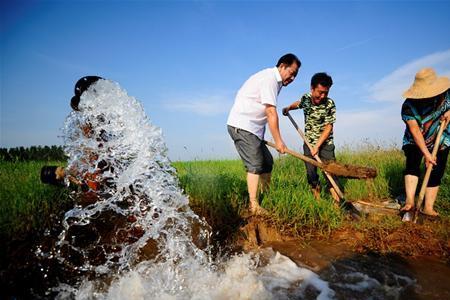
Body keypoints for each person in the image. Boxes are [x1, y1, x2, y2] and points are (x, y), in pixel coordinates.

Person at [227, 53, 301, 214]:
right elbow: (270, 112)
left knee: (267, 162)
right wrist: (279, 141)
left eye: (296, 75)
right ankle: (254, 205)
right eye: (292, 72)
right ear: (282, 66)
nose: (293, 78)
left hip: (254, 130)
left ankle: (266, 196)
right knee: (255, 164)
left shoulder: (276, 81)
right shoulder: (270, 79)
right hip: (243, 125)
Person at [282, 72, 342, 202]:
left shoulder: (329, 104)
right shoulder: (306, 98)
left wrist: (317, 146)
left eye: (326, 92)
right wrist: (288, 108)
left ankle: (338, 204)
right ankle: (318, 201)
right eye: (320, 92)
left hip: (325, 144)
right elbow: (299, 104)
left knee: (330, 172)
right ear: (312, 88)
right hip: (308, 142)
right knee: (311, 174)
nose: (323, 96)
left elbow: (328, 127)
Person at [400, 67, 450, 217]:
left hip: (441, 137)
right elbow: (415, 131)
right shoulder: (408, 106)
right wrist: (427, 154)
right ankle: (410, 202)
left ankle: (428, 207)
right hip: (416, 140)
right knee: (412, 165)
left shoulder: (446, 93)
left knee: (437, 170)